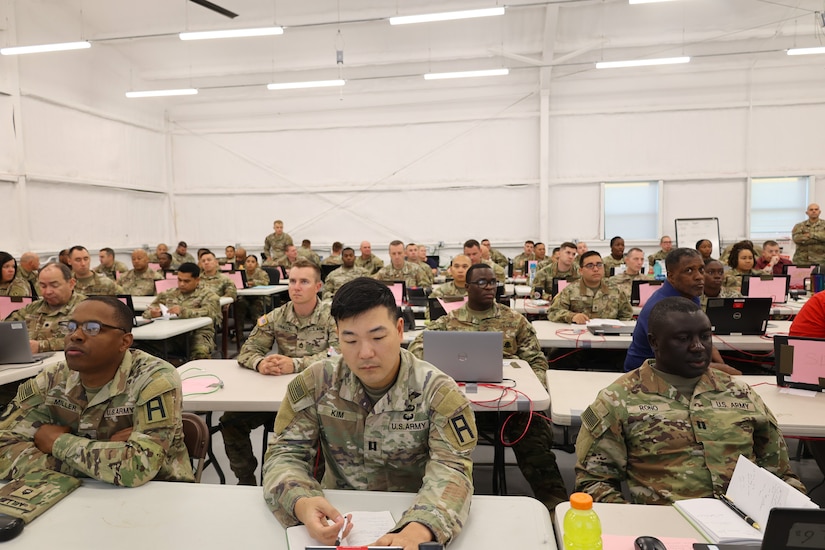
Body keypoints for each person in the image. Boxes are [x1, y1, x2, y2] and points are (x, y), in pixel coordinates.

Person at [262, 277, 476, 547]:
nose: (365, 353)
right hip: (336, 518)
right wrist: (302, 501)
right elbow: (285, 453)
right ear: (337, 336)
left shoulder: (438, 393)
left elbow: (452, 469)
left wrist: (422, 527)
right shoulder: (316, 383)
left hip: (414, 510)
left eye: (377, 337)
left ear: (399, 330)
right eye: (349, 340)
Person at [574, 297, 804, 504]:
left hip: (747, 520)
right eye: (683, 339)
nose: (698, 347)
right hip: (667, 524)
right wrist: (634, 524)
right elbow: (594, 482)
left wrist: (795, 516)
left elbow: (780, 472)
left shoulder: (740, 392)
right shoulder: (617, 400)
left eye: (705, 337)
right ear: (654, 343)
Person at [408, 264, 567, 511]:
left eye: (493, 282)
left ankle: (557, 507)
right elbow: (416, 351)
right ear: (467, 287)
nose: (490, 287)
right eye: (482, 283)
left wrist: (529, 384)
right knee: (423, 440)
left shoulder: (515, 321)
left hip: (510, 409)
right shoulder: (448, 321)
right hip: (456, 409)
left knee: (535, 443)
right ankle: (435, 505)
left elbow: (537, 360)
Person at [0, 296, 194, 486]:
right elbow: (2, 446)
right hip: (70, 489)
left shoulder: (153, 378)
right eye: (71, 326)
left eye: (93, 328)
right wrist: (105, 454)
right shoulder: (52, 378)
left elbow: (138, 465)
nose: (75, 335)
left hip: (159, 493)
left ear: (124, 342)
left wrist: (57, 443)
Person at [225, 259, 338, 485]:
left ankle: (312, 484)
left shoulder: (332, 316)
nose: (296, 287)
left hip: (318, 396)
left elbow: (339, 354)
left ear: (318, 286)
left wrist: (295, 364)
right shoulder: (277, 316)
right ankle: (246, 479)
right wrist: (260, 364)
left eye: (304, 282)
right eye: (293, 281)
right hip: (278, 396)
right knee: (230, 421)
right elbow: (248, 350)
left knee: (323, 430)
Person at [624, 248, 738, 375]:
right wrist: (721, 371)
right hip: (644, 374)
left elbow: (699, 340)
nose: (699, 277)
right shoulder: (659, 308)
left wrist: (721, 365)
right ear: (671, 276)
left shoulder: (691, 295)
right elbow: (673, 359)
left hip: (678, 366)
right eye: (689, 271)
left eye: (701, 269)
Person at [141, 262, 220, 360]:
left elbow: (211, 313)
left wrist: (183, 312)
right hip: (171, 334)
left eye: (186, 281)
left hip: (197, 333)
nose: (182, 284)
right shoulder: (168, 293)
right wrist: (152, 313)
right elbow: (147, 312)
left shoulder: (209, 295)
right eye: (179, 280)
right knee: (142, 348)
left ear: (197, 280)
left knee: (200, 353)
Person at [4, 263, 84, 354]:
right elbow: (5, 329)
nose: (48, 291)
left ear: (71, 284)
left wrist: (42, 346)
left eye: (54, 285)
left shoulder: (87, 308)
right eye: (43, 286)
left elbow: (88, 339)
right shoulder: (32, 308)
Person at [548, 251, 633, 324]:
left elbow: (627, 315)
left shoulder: (615, 290)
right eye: (590, 266)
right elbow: (553, 312)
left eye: (599, 265)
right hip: (579, 336)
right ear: (581, 271)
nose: (596, 269)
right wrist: (572, 316)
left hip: (609, 337)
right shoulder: (570, 290)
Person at [235, 254, 270, 327]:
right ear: (245, 263)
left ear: (256, 264)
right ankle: (239, 334)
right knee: (239, 305)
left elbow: (266, 282)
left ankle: (260, 332)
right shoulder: (241, 273)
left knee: (256, 309)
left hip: (260, 297)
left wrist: (254, 283)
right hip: (245, 297)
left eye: (252, 262)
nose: (250, 264)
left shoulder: (261, 273)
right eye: (248, 261)